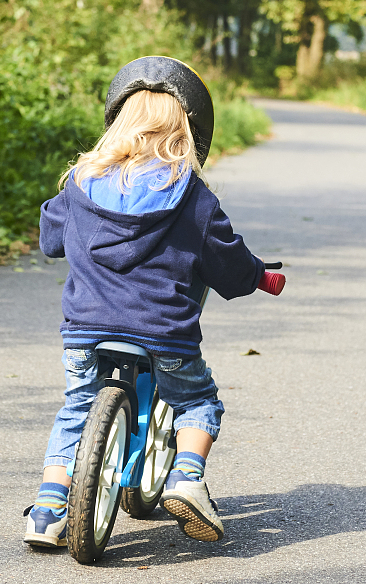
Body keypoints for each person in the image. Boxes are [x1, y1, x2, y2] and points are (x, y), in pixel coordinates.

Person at [23, 56, 263, 549]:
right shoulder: (192, 196)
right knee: (197, 401)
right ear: (190, 131)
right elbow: (228, 263)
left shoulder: (81, 182)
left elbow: (51, 240)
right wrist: (256, 276)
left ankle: (48, 509)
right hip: (164, 332)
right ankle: (187, 480)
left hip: (85, 329)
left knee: (76, 407)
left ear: (116, 123)